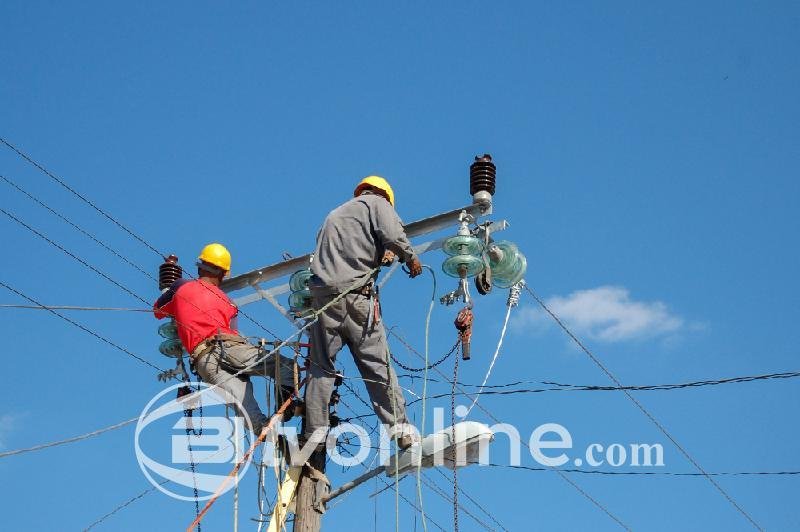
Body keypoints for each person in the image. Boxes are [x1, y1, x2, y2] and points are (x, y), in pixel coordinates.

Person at [304, 176, 423, 454]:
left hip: (323, 301)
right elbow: (393, 234)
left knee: (320, 368)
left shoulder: (334, 215)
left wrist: (380, 254)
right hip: (356, 298)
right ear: (385, 196)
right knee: (376, 366)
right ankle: (401, 431)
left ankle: (314, 435)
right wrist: (410, 256)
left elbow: (343, 251)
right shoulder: (377, 204)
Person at [153, 242, 296, 436]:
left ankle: (268, 434)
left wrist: (172, 283)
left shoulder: (182, 287)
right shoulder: (229, 302)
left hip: (204, 362)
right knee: (285, 366)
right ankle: (286, 406)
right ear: (223, 274)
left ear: (199, 266)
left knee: (244, 404)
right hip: (228, 347)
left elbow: (158, 310)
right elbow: (233, 336)